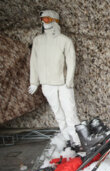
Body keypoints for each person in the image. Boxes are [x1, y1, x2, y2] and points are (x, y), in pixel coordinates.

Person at [28, 10, 81, 149]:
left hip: (63, 84)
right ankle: (67, 138)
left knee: (70, 111)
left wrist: (69, 81)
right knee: (57, 112)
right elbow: (34, 61)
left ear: (55, 20)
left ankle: (78, 140)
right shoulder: (38, 41)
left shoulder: (64, 41)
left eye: (47, 19)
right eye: (42, 19)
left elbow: (71, 62)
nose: (44, 22)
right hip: (47, 83)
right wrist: (34, 81)